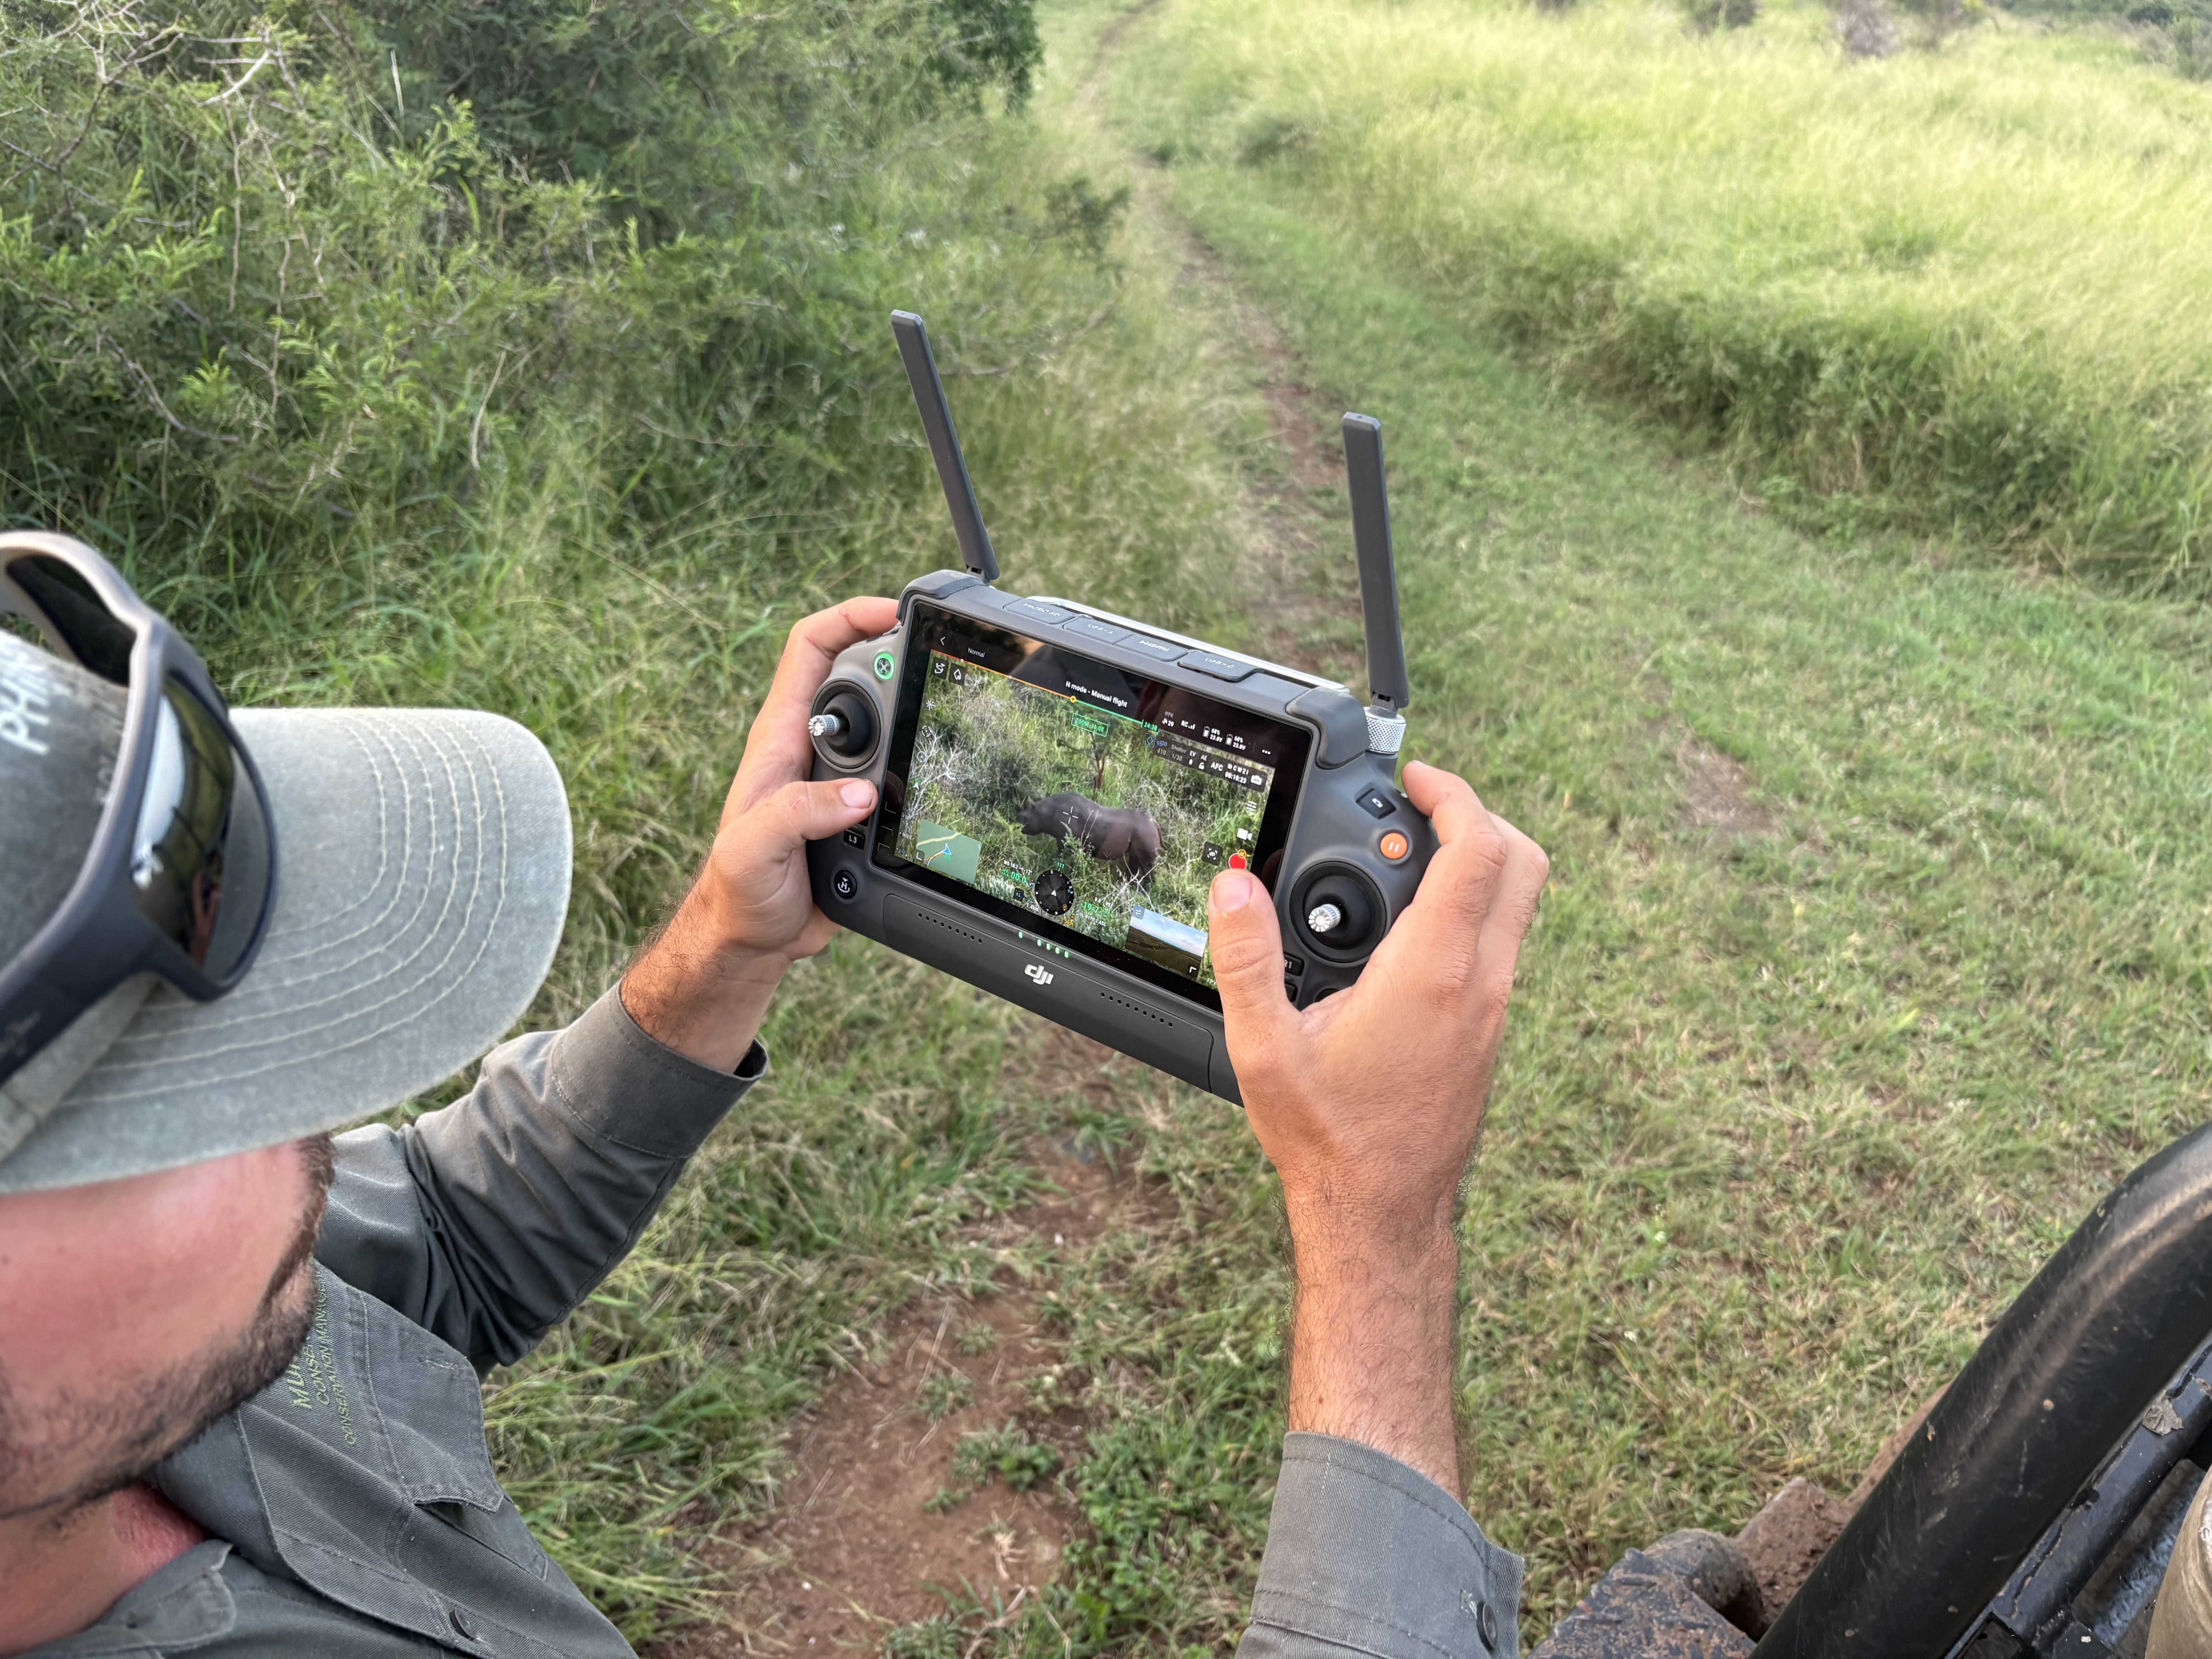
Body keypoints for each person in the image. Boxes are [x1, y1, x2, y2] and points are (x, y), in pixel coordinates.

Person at [0, 532, 1550, 1659]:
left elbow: (447, 1257)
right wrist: (1379, 1236)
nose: (307, 1121)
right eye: (144, 1100)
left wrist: (722, 951)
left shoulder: (134, 1372)